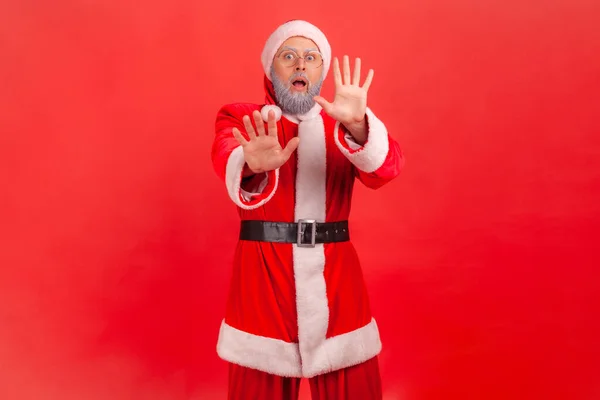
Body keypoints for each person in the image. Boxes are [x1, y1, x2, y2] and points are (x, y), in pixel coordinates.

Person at [211, 19, 404, 399]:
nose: (301, 65)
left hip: (337, 277)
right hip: (262, 277)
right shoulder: (241, 118)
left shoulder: (343, 123)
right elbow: (225, 156)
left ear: (321, 71)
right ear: (271, 68)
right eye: (289, 56)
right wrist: (250, 163)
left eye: (311, 58)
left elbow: (387, 168)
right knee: (257, 383)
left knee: (354, 382)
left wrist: (361, 127)